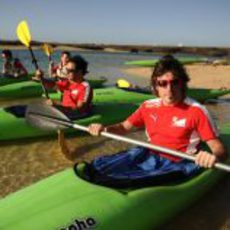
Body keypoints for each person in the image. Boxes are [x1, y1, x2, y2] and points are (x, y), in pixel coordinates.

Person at [58, 55, 226, 187]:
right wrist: (104, 129)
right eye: (163, 83)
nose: (169, 90)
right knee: (98, 167)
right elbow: (124, 127)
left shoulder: (197, 111)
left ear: (183, 84)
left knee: (126, 181)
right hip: (149, 152)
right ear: (155, 86)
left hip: (179, 160)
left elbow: (218, 149)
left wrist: (211, 157)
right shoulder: (148, 106)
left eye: (175, 82)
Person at [36, 55, 93, 119]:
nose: (66, 72)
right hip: (65, 111)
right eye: (66, 69)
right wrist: (41, 78)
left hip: (78, 115)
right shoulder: (68, 82)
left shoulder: (85, 86)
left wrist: (58, 105)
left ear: (79, 71)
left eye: (70, 70)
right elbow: (51, 85)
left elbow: (80, 109)